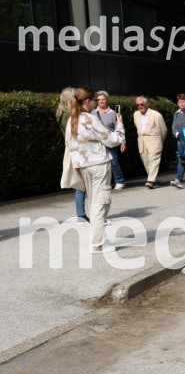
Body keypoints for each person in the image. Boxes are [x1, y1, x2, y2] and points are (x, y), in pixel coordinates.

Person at [65, 86, 125, 253]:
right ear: (87, 101)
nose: (96, 102)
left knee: (95, 201)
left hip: (83, 166)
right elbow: (113, 139)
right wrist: (120, 125)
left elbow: (68, 144)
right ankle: (97, 243)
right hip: (98, 164)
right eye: (94, 99)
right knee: (100, 203)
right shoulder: (90, 119)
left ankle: (98, 238)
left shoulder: (72, 119)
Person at [57, 87, 88, 223]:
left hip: (72, 149)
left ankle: (82, 214)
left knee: (81, 183)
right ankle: (81, 214)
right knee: (82, 183)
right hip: (77, 149)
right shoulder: (70, 114)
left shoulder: (62, 113)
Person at [93, 91, 127, 189]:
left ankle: (119, 181)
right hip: (98, 143)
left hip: (111, 141)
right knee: (101, 164)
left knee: (114, 162)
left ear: (107, 100)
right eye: (99, 100)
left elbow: (119, 126)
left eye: (103, 99)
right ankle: (105, 183)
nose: (101, 101)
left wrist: (123, 142)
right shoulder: (92, 113)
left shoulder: (113, 113)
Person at [133, 96, 168, 189]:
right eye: (138, 105)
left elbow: (163, 130)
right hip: (142, 142)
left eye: (142, 104)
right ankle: (152, 180)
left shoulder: (156, 115)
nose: (140, 106)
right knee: (146, 162)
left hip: (154, 141)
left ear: (147, 104)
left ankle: (151, 181)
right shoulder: (136, 114)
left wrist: (159, 141)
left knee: (153, 161)